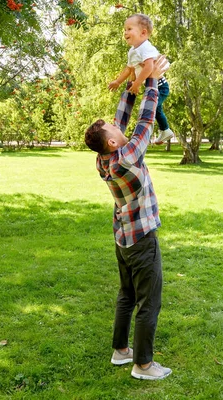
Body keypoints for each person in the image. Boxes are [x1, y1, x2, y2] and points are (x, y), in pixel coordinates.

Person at [85, 56, 172, 380]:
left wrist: (130, 89)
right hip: (142, 238)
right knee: (149, 302)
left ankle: (121, 351)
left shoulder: (103, 159)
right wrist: (151, 81)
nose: (117, 126)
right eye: (113, 129)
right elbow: (146, 123)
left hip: (123, 237)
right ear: (112, 141)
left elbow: (121, 122)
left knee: (127, 295)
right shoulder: (126, 157)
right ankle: (144, 365)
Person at [107, 13, 174, 145]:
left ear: (143, 33)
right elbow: (128, 69)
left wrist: (137, 83)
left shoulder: (146, 47)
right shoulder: (132, 51)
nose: (125, 32)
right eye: (125, 29)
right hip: (152, 85)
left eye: (129, 29)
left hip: (160, 85)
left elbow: (149, 67)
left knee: (151, 110)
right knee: (153, 109)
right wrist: (118, 81)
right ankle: (164, 131)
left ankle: (159, 132)